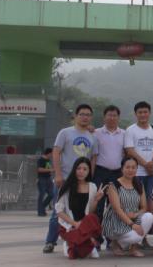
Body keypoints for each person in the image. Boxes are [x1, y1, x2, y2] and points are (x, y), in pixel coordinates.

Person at [43, 104, 99, 254]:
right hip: (66, 179)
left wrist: (90, 178)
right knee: (58, 210)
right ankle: (50, 241)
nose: (85, 117)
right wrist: (58, 174)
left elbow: (93, 159)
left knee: (82, 211)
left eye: (88, 115)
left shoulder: (93, 137)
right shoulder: (65, 133)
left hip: (83, 181)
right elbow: (56, 152)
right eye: (82, 114)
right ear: (75, 115)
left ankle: (80, 239)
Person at [102, 156, 153, 258]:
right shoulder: (113, 185)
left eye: (133, 167)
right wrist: (132, 224)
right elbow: (117, 210)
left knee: (149, 216)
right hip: (116, 220)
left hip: (133, 217)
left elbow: (144, 207)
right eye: (127, 167)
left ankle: (133, 248)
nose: (130, 170)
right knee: (134, 236)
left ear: (136, 169)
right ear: (122, 169)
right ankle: (115, 242)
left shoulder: (139, 184)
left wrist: (135, 215)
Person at [56, 157, 105, 259]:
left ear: (89, 171)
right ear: (74, 169)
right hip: (69, 226)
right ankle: (80, 243)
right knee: (74, 255)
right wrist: (75, 224)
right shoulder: (67, 186)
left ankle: (76, 243)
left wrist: (96, 200)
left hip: (85, 225)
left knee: (92, 217)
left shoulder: (92, 186)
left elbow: (90, 212)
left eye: (85, 169)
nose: (81, 171)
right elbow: (59, 211)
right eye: (79, 168)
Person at [93, 106, 125, 219]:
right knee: (98, 202)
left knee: (115, 203)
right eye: (109, 115)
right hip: (100, 172)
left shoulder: (124, 134)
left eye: (114, 115)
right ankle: (97, 228)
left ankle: (111, 228)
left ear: (118, 117)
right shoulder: (96, 133)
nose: (112, 118)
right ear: (104, 117)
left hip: (117, 173)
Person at [124, 101, 153, 199]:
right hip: (135, 173)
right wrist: (146, 165)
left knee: (150, 199)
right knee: (136, 200)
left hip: (151, 173)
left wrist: (152, 164)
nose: (143, 115)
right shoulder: (130, 130)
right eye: (140, 112)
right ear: (135, 114)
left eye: (145, 112)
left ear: (149, 113)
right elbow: (130, 151)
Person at [37, 148, 53, 217]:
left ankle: (42, 207)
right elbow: (39, 169)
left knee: (52, 194)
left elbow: (48, 168)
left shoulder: (48, 160)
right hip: (42, 179)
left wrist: (50, 171)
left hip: (48, 179)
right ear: (49, 153)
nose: (52, 155)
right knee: (42, 194)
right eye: (51, 154)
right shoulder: (41, 160)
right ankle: (40, 211)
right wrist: (50, 170)